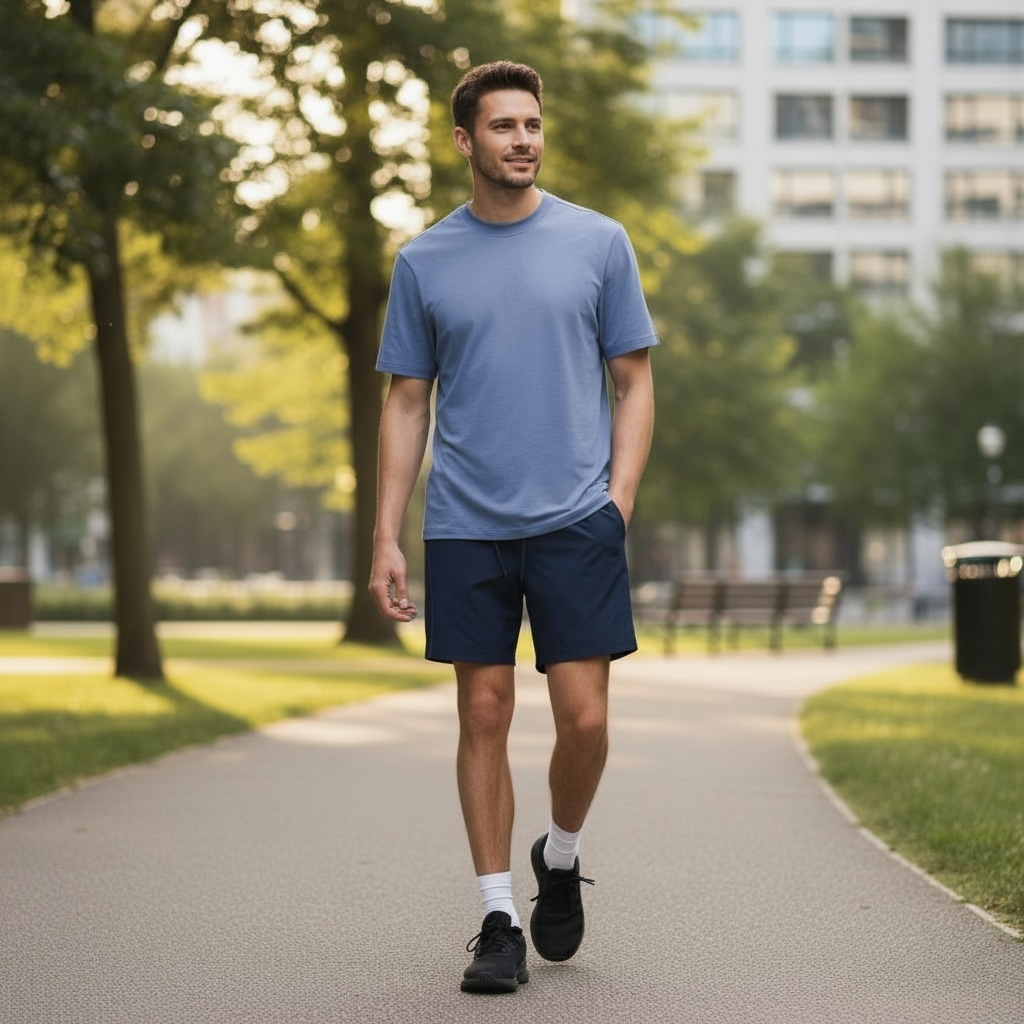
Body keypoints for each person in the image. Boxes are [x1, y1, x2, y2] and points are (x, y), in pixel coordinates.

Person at [368, 60, 657, 995]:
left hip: (577, 518)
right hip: (465, 525)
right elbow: (407, 404)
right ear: (465, 141)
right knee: (482, 714)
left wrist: (617, 501)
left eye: (532, 124)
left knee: (587, 720)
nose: (523, 140)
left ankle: (560, 855)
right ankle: (498, 919)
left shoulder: (599, 243)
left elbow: (634, 381)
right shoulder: (424, 261)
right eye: (503, 127)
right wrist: (385, 535)